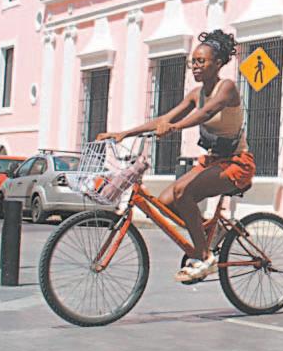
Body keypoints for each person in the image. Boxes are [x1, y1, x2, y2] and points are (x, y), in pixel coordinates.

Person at [98, 30, 255, 282]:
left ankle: (204, 257)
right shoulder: (195, 94)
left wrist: (174, 127)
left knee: (183, 192)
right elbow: (165, 118)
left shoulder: (227, 88)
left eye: (201, 61)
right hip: (212, 161)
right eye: (193, 62)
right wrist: (124, 133)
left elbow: (206, 113)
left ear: (217, 63)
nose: (196, 66)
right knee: (165, 202)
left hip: (237, 163)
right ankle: (212, 234)